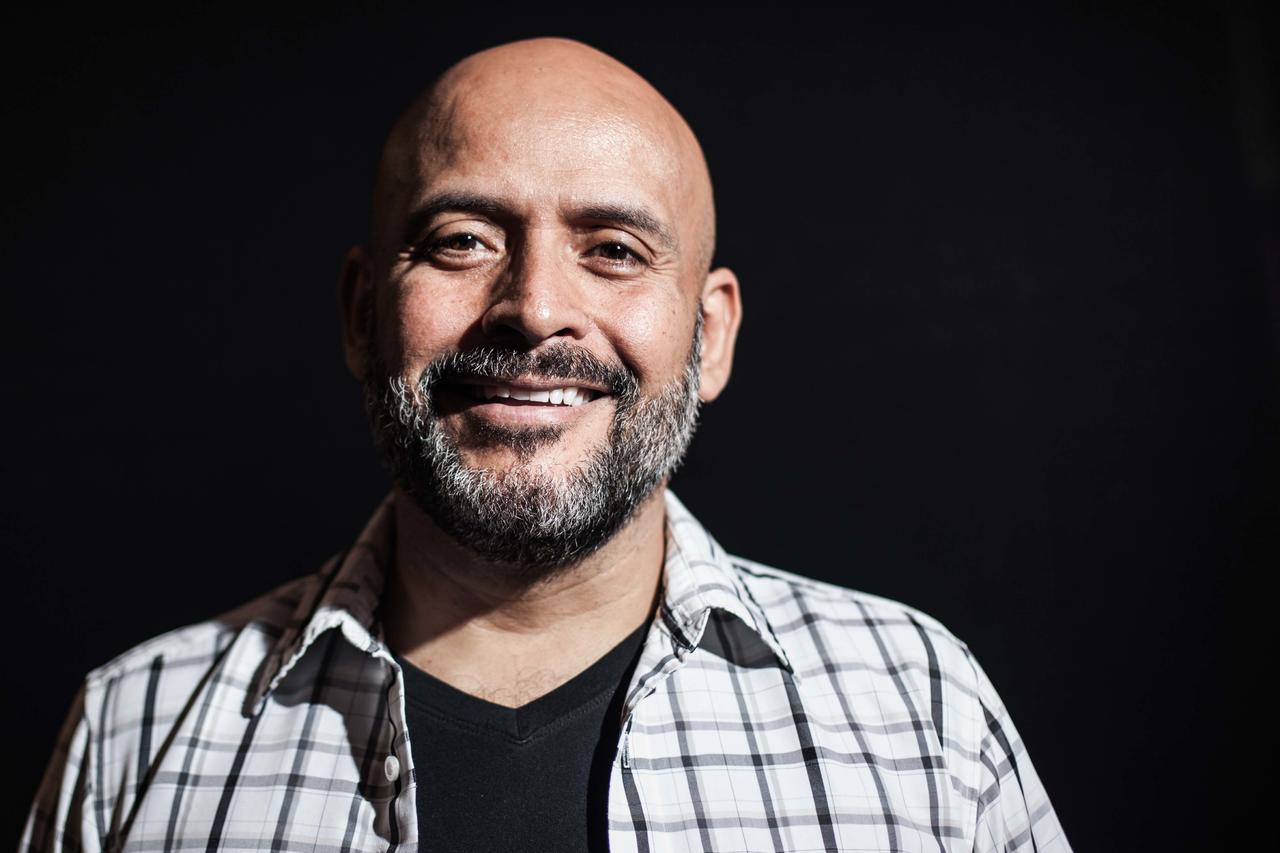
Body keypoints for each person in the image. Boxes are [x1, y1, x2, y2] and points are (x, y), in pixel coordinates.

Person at [19, 37, 1070, 853]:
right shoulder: (134, 734)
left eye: (612, 249)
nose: (532, 308)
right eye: (461, 240)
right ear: (358, 314)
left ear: (708, 335)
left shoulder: (919, 710)